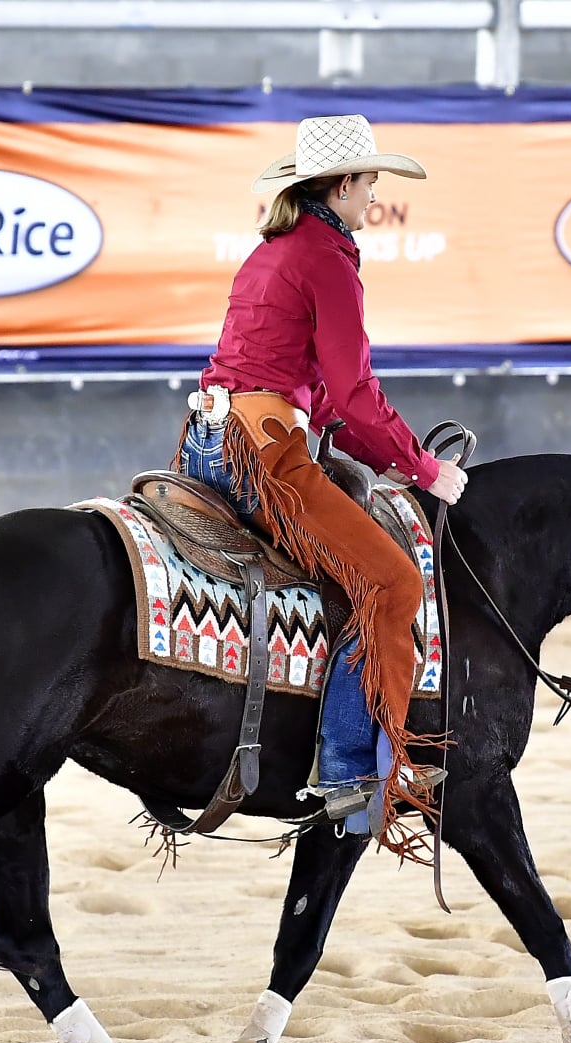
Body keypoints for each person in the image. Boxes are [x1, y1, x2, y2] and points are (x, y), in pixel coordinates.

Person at [179, 114, 467, 854]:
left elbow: (325, 397)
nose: (374, 195)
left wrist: (380, 450)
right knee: (394, 585)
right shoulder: (327, 258)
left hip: (207, 441)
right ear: (340, 186)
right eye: (369, 182)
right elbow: (355, 394)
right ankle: (352, 771)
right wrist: (425, 469)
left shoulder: (273, 250)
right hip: (263, 453)